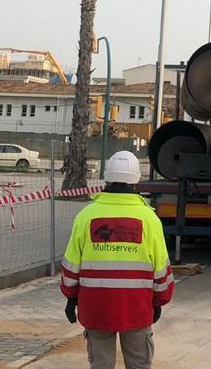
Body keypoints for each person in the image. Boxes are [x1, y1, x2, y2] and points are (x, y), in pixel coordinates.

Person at [60, 150, 173, 369]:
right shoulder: (149, 218)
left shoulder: (86, 216)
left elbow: (71, 266)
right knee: (139, 363)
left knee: (101, 364)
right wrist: (159, 302)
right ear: (136, 180)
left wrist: (71, 299)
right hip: (136, 307)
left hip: (96, 307)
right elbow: (161, 269)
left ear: (107, 177)